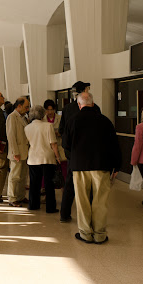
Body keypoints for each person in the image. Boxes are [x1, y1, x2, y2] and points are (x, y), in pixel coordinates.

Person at [65, 92, 121, 244]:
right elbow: (114, 146)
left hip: (79, 167)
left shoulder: (72, 121)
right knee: (100, 201)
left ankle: (85, 233)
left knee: (82, 201)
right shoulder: (105, 121)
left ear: (79, 104)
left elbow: (66, 145)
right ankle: (100, 234)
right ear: (92, 103)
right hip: (101, 166)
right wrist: (116, 166)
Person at [58, 81, 100, 223]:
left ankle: (64, 214)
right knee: (91, 186)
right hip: (92, 154)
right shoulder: (95, 109)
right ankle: (90, 216)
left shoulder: (67, 109)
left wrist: (68, 149)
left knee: (70, 184)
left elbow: (61, 130)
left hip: (73, 154)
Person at [24, 105, 61, 213]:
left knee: (34, 183)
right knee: (49, 184)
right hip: (47, 157)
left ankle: (33, 204)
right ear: (43, 114)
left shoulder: (27, 127)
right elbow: (53, 143)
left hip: (33, 158)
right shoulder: (48, 126)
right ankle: (50, 207)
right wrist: (58, 157)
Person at [6, 97, 31, 207]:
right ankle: (12, 197)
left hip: (25, 151)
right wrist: (15, 152)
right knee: (15, 176)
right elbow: (11, 136)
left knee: (23, 176)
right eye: (26, 107)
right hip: (16, 152)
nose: (27, 109)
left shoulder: (24, 117)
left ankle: (21, 196)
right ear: (19, 106)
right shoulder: (12, 117)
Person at [43, 99, 67, 180]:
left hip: (59, 145)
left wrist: (59, 133)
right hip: (48, 147)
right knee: (48, 168)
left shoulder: (60, 118)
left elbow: (65, 131)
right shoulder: (42, 120)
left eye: (51, 110)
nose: (50, 112)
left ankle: (64, 184)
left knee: (63, 166)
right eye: (48, 110)